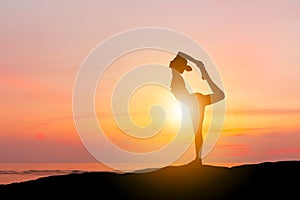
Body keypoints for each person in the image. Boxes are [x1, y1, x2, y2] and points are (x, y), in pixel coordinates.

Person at [169, 52, 225, 165]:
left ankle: (198, 160)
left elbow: (181, 53)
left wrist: (198, 64)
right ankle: (198, 160)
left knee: (198, 131)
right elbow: (180, 53)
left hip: (195, 102)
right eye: (183, 68)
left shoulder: (176, 75)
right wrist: (196, 64)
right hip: (192, 102)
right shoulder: (175, 74)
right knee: (198, 132)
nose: (184, 71)